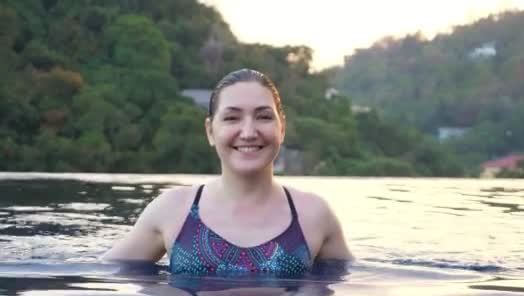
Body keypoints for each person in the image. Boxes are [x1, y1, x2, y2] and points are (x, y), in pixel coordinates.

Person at [103, 68, 353, 276]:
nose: (248, 132)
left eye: (263, 117)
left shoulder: (314, 215)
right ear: (210, 131)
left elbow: (353, 289)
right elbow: (105, 273)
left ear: (282, 127)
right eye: (232, 118)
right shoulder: (171, 211)